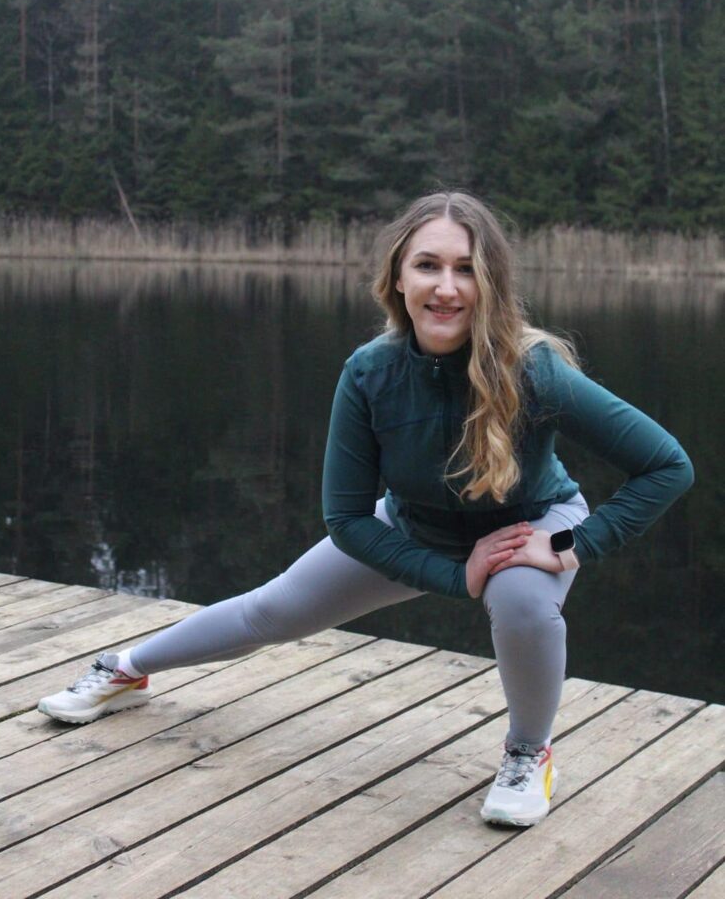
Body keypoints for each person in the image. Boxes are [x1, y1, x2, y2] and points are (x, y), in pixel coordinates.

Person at [38, 192, 694, 828]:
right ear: (398, 278)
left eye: (466, 269)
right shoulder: (369, 372)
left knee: (522, 597)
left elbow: (667, 465)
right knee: (272, 611)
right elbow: (348, 519)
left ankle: (529, 754)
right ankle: (125, 669)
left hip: (527, 528)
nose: (446, 288)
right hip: (411, 528)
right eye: (428, 265)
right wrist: (453, 574)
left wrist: (569, 545)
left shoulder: (534, 370)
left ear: (491, 282)